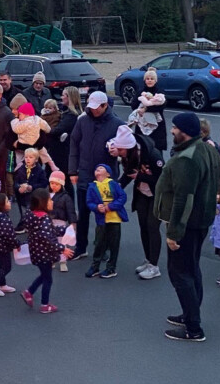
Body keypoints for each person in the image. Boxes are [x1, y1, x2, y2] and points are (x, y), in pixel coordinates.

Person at [153, 112, 220, 342]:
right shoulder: (209, 149)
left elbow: (184, 198)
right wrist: (213, 203)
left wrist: (173, 233)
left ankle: (193, 328)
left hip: (186, 225)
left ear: (185, 131)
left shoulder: (187, 158)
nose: (172, 131)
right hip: (200, 221)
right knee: (192, 269)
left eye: (175, 128)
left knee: (181, 273)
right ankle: (190, 315)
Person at [68, 90, 122, 260]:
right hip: (84, 174)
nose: (93, 110)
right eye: (90, 107)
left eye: (97, 107)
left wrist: (118, 152)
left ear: (105, 106)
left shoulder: (118, 124)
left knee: (105, 215)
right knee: (83, 214)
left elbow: (127, 149)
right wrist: (72, 170)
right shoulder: (82, 121)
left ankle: (103, 248)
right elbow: (74, 145)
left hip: (105, 179)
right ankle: (81, 247)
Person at [109, 124, 165, 281]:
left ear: (129, 147)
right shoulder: (129, 155)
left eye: (120, 150)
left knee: (152, 227)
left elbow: (162, 180)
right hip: (141, 194)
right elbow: (129, 174)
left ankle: (154, 266)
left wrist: (139, 177)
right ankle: (148, 260)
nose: (119, 153)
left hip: (156, 195)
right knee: (143, 227)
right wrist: (118, 186)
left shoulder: (153, 156)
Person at [21, 189, 75, 313]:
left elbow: (46, 232)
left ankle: (29, 292)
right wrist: (63, 249)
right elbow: (48, 239)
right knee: (48, 278)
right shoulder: (44, 219)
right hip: (44, 254)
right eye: (50, 200)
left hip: (36, 251)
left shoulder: (31, 214)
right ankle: (45, 305)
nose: (52, 202)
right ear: (42, 203)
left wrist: (62, 230)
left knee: (45, 274)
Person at [84, 163, 127, 279]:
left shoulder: (113, 184)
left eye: (101, 168)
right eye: (96, 168)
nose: (97, 169)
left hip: (114, 218)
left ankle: (111, 268)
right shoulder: (92, 186)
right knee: (99, 243)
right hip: (101, 220)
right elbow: (89, 202)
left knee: (114, 244)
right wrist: (97, 207)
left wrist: (111, 207)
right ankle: (95, 266)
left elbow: (122, 197)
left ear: (108, 173)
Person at [128, 69, 167, 153]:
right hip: (142, 124)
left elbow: (161, 106)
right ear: (144, 80)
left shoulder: (160, 92)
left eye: (152, 79)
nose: (149, 80)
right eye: (147, 79)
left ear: (155, 80)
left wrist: (146, 109)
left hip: (157, 125)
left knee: (156, 150)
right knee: (142, 148)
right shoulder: (140, 92)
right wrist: (139, 109)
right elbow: (134, 105)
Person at [47, 170, 76, 272]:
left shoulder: (65, 197)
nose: (54, 186)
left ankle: (63, 261)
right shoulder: (46, 194)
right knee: (50, 242)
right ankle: (52, 260)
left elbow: (70, 210)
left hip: (60, 222)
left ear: (61, 185)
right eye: (52, 183)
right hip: (48, 222)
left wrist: (73, 223)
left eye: (56, 184)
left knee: (62, 242)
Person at [13, 147, 47, 226]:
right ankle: (24, 224)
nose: (28, 159)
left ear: (36, 159)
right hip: (22, 196)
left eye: (31, 157)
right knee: (23, 211)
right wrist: (18, 188)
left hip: (34, 197)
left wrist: (31, 187)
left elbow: (44, 183)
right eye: (26, 157)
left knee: (31, 213)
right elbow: (16, 182)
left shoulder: (39, 171)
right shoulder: (21, 169)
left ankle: (31, 226)